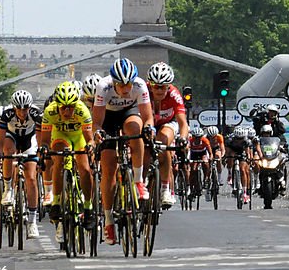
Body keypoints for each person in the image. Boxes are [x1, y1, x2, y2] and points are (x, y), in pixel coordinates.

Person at [92, 58, 154, 246]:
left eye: (128, 84)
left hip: (130, 111)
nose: (126, 89)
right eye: (121, 85)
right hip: (108, 116)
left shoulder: (140, 85)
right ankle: (109, 220)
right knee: (108, 168)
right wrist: (97, 134)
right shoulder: (103, 87)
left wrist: (149, 129)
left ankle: (138, 181)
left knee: (136, 131)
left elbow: (148, 117)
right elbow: (97, 123)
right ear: (114, 82)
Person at [38, 81, 94, 244]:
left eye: (71, 106)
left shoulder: (82, 110)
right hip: (60, 135)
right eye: (64, 107)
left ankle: (88, 206)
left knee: (84, 169)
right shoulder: (49, 111)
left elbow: (89, 138)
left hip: (78, 137)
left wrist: (90, 146)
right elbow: (46, 141)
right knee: (59, 161)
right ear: (57, 104)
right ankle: (56, 201)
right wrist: (44, 149)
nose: (67, 110)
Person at [0, 90, 45, 238]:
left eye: (25, 109)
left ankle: (32, 221)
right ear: (14, 107)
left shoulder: (36, 114)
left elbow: (40, 135)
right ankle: (7, 188)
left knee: (31, 178)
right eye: (19, 108)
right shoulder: (7, 114)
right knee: (8, 149)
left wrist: (41, 152)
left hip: (29, 140)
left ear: (30, 107)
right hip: (13, 137)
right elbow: (1, 137)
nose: (22, 112)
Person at [145, 62, 188, 207]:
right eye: (156, 86)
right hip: (148, 123)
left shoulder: (174, 94)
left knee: (162, 144)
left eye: (163, 86)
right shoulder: (143, 90)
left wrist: (183, 138)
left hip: (168, 123)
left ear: (169, 86)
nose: (159, 90)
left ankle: (165, 189)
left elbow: (183, 123)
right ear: (150, 85)